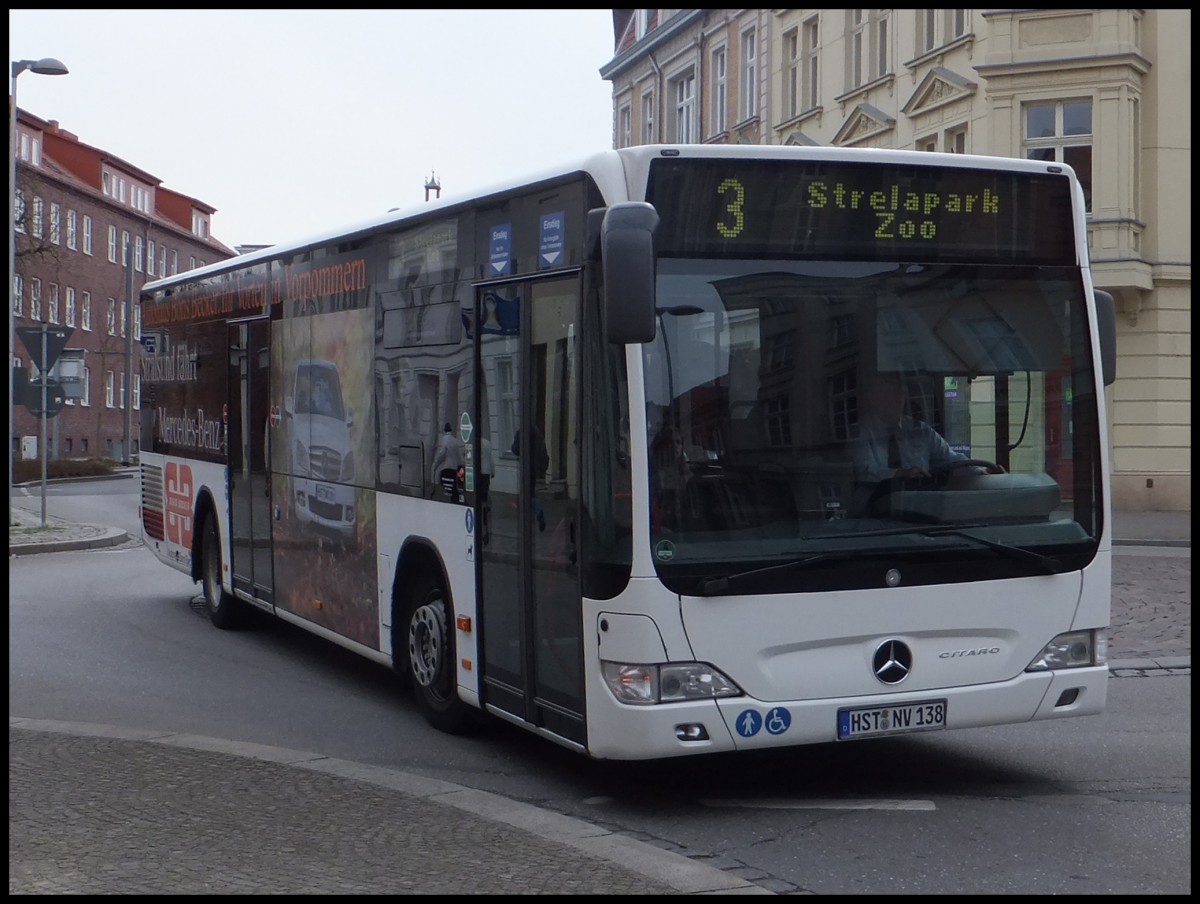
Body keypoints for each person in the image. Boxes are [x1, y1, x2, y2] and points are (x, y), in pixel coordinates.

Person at [850, 371, 988, 484]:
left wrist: (981, 471)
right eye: (886, 392)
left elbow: (952, 459)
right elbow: (864, 472)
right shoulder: (859, 432)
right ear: (873, 398)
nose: (895, 398)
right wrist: (901, 474)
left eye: (899, 391)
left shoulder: (920, 430)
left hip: (918, 505)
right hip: (873, 507)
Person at [511, 424, 548, 531]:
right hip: (535, 468)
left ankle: (537, 511)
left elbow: (515, 449)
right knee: (530, 492)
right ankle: (534, 513)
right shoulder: (537, 432)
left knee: (527, 494)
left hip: (525, 467)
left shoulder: (520, 432)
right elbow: (543, 450)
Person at [430, 422, 465, 493]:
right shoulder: (455, 440)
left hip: (447, 468)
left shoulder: (445, 440)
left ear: (444, 430)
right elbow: (460, 455)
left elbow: (441, 455)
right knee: (454, 488)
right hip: (456, 469)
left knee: (444, 489)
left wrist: (434, 466)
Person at [477, 435, 494, 544]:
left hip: (479, 472)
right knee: (485, 492)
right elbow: (491, 458)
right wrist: (493, 471)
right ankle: (486, 506)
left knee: (480, 497)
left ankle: (483, 508)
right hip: (487, 471)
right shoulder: (487, 443)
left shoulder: (474, 442)